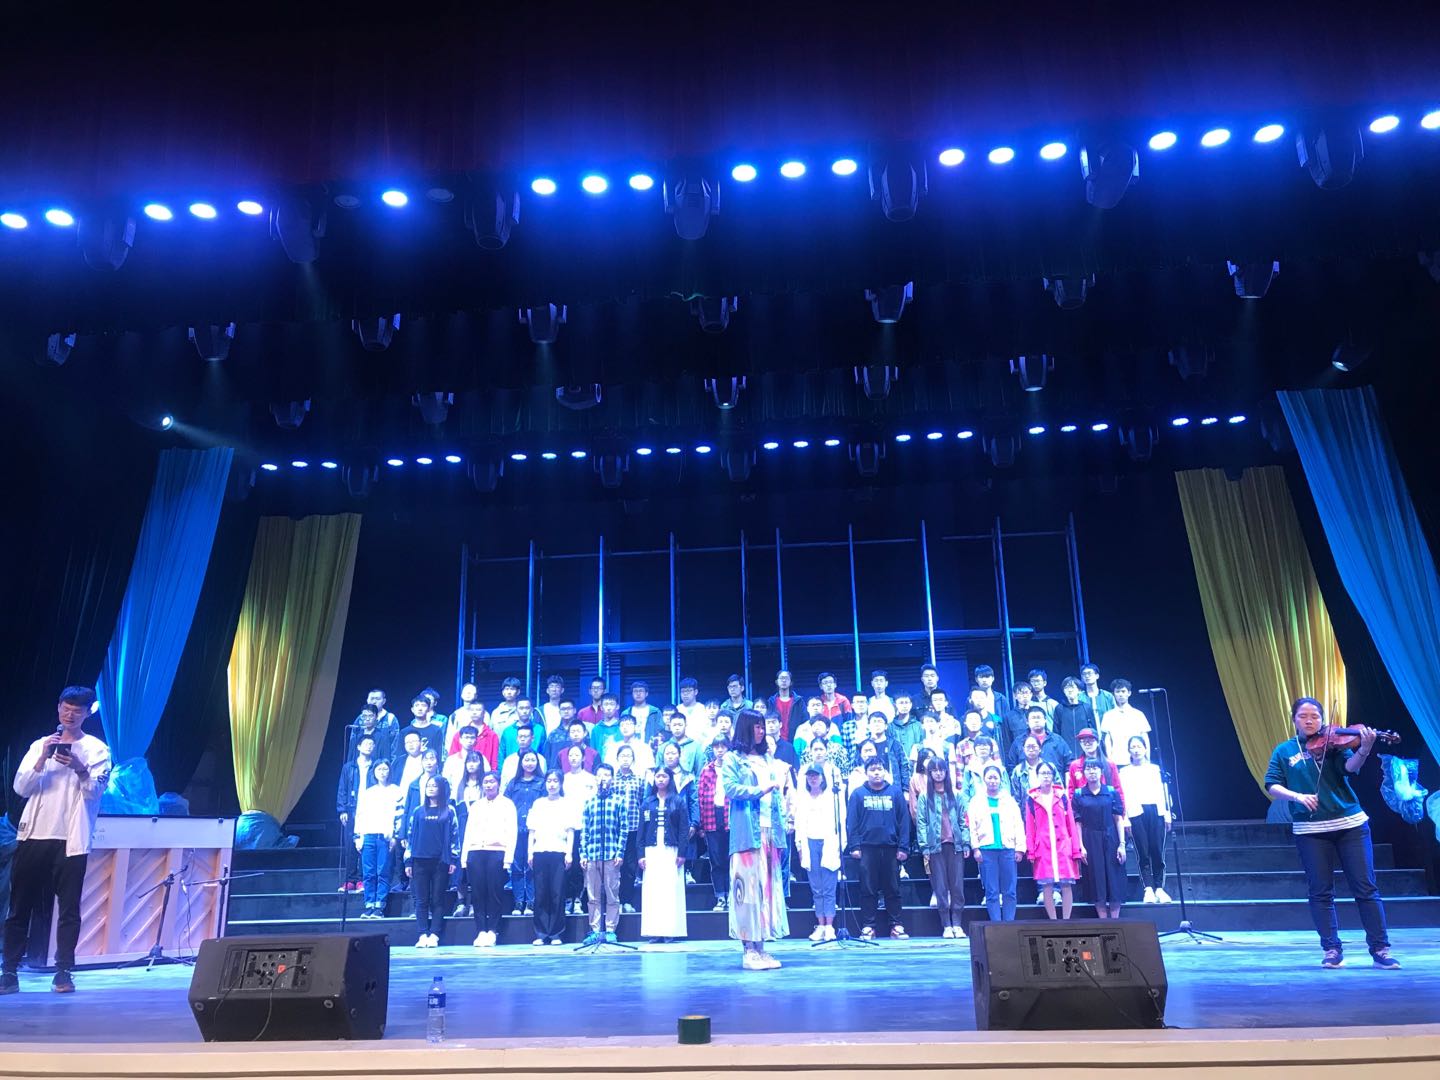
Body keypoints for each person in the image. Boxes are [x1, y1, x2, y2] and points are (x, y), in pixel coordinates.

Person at [1264, 697, 1398, 969]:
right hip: (1310, 830)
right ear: (1294, 720)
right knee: (1320, 891)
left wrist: (1365, 748)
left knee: (1366, 888)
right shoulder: (1284, 750)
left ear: (1322, 719)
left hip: (1350, 824)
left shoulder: (1334, 743)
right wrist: (1297, 797)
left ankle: (1380, 950)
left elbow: (1350, 768)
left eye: (1315, 716)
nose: (1309, 720)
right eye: (1303, 716)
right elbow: (1272, 784)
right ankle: (1331, 950)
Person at [2, 687, 111, 995]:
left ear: (87, 713)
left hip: (71, 840)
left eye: (77, 710)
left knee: (68, 909)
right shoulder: (41, 744)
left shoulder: (97, 750)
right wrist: (41, 759)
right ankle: (9, 971)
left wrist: (79, 767)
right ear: (59, 708)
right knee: (19, 905)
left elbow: (95, 792)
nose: (70, 714)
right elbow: (20, 788)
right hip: (34, 834)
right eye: (66, 708)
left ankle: (63, 971)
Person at [722, 709, 789, 971]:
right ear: (746, 728)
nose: (762, 731)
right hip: (747, 833)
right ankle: (748, 948)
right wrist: (759, 790)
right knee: (747, 891)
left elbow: (777, 796)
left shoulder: (767, 758)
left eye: (763, 726)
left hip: (769, 830)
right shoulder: (733, 758)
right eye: (757, 726)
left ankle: (761, 947)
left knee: (767, 892)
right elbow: (730, 788)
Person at [846, 758, 911, 940]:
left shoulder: (895, 792)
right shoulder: (858, 794)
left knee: (893, 888)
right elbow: (851, 822)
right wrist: (854, 845)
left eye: (879, 769)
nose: (876, 773)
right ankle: (868, 926)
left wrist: (903, 847)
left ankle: (896, 925)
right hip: (866, 849)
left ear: (885, 771)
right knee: (868, 889)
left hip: (891, 848)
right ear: (866, 772)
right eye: (872, 769)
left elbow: (904, 821)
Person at [914, 755, 970, 938]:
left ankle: (957, 924)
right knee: (940, 886)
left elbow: (963, 820)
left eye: (941, 770)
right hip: (934, 847)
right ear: (930, 773)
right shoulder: (925, 796)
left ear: (946, 772)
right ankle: (946, 925)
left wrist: (966, 842)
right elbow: (921, 823)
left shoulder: (957, 795)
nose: (938, 773)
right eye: (934, 770)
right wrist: (925, 847)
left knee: (957, 886)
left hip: (955, 846)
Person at [462, 771, 517, 947]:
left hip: (497, 851)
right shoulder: (477, 806)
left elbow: (512, 832)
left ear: (498, 784)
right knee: (478, 894)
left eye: (492, 782)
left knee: (494, 893)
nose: (488, 785)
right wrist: (465, 857)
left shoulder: (507, 804)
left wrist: (508, 858)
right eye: (485, 782)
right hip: (475, 851)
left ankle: (493, 930)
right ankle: (481, 930)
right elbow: (468, 831)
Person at [403, 776, 458, 948]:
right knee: (421, 900)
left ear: (441, 788)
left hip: (441, 861)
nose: (431, 788)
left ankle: (434, 934)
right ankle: (422, 934)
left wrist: (453, 859)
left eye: (434, 786)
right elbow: (410, 837)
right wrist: (408, 861)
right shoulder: (418, 811)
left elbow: (454, 836)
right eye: (428, 785)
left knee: (437, 899)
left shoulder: (449, 811)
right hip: (419, 860)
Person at [967, 763, 1025, 922]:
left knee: (1010, 891)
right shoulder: (976, 801)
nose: (993, 781)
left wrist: (1020, 848)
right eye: (990, 777)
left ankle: (1009, 924)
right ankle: (996, 926)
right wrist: (975, 848)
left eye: (995, 778)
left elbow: (1018, 824)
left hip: (1008, 849)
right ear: (984, 779)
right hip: (986, 850)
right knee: (991, 891)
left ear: (1000, 779)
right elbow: (972, 827)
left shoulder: (1009, 800)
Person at [1025, 761, 1082, 920]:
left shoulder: (1062, 796)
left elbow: (1071, 823)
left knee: (1066, 884)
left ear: (1053, 776)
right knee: (1047, 885)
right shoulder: (1031, 799)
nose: (1046, 776)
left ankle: (1066, 920)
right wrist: (1031, 851)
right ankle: (1053, 921)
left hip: (1063, 845)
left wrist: (1075, 848)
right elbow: (1029, 828)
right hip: (1043, 846)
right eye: (1042, 773)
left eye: (1048, 773)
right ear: (1037, 776)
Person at [1119, 736, 1172, 904]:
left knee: (1157, 849)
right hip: (1136, 812)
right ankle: (1148, 888)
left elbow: (1163, 792)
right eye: (1133, 747)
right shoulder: (1124, 772)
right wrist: (1125, 819)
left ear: (1145, 748)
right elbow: (1124, 796)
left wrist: (1167, 814)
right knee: (1142, 851)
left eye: (1139, 746)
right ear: (1129, 751)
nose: (1136, 750)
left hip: (1156, 811)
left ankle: (1160, 888)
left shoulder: (1155, 769)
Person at [639, 766, 690, 942]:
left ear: (670, 779)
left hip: (672, 850)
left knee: (670, 889)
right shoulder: (647, 802)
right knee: (653, 891)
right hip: (651, 850)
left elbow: (683, 829)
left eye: (664, 776)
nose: (660, 779)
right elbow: (641, 830)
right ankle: (654, 931)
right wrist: (640, 854)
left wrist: (682, 852)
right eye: (658, 776)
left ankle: (670, 931)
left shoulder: (678, 801)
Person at [794, 764, 844, 941]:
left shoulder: (832, 797)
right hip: (810, 843)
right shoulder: (803, 798)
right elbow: (799, 823)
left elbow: (841, 820)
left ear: (823, 777)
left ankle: (829, 925)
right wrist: (800, 846)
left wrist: (840, 845)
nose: (813, 779)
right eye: (810, 776)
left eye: (816, 775)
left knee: (829, 886)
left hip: (828, 842)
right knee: (816, 888)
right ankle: (820, 925)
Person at [580, 763, 627, 945]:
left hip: (611, 855)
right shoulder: (590, 802)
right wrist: (583, 853)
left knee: (612, 895)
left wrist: (620, 852)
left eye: (607, 775)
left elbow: (623, 829)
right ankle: (595, 931)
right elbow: (585, 830)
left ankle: (610, 930)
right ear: (595, 778)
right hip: (592, 855)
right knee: (593, 896)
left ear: (612, 778)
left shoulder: (619, 801)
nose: (603, 778)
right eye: (600, 775)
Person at [526, 770, 575, 946]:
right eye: (549, 781)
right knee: (540, 893)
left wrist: (569, 853)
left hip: (559, 851)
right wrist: (530, 852)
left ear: (561, 783)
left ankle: (555, 933)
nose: (552, 784)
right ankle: (540, 933)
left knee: (557, 893)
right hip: (539, 851)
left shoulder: (567, 804)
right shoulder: (538, 804)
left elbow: (570, 831)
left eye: (555, 781)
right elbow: (532, 831)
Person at [1074, 760, 1127, 919]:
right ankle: (1103, 922)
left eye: (1095, 768)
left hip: (1111, 838)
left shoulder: (1111, 792)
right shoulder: (1079, 794)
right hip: (1090, 839)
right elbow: (1077, 822)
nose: (1092, 772)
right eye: (1088, 769)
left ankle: (1115, 922)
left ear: (1101, 771)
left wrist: (1122, 844)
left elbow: (1118, 819)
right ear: (1084, 773)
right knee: (1096, 880)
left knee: (1114, 879)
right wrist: (1081, 846)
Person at [352, 759, 403, 920]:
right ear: (374, 772)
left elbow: (399, 816)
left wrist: (395, 836)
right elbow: (359, 815)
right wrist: (357, 837)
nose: (382, 772)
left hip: (384, 837)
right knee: (368, 873)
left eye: (385, 769)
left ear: (389, 771)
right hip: (368, 835)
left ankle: (379, 906)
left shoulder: (396, 791)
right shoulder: (368, 793)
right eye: (379, 769)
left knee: (383, 872)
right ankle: (369, 905)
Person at [504, 751, 546, 916]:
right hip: (515, 829)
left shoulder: (542, 783)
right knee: (516, 866)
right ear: (521, 762)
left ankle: (531, 902)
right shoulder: (513, 783)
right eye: (526, 760)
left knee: (531, 866)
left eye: (532, 760)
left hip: (535, 830)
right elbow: (506, 805)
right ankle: (518, 902)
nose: (529, 763)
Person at [336, 734, 379, 893]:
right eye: (366, 743)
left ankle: (362, 879)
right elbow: (342, 789)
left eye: (371, 744)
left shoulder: (376, 766)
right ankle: (350, 880)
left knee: (366, 846)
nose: (369, 746)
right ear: (359, 747)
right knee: (350, 846)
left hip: (370, 810)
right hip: (352, 809)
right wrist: (342, 809)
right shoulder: (349, 767)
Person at [697, 739, 732, 911]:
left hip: (730, 817)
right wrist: (701, 825)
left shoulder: (734, 768)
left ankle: (733, 895)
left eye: (723, 746)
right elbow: (701, 797)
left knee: (731, 859)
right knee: (716, 859)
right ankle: (720, 896)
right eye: (716, 747)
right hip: (712, 816)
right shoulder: (707, 770)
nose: (720, 750)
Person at [612, 745, 645, 913]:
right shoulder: (612, 780)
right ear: (617, 758)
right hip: (615, 829)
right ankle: (615, 901)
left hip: (633, 827)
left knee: (630, 866)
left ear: (633, 759)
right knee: (615, 866)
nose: (625, 759)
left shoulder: (639, 780)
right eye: (622, 756)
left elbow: (642, 802)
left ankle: (627, 900)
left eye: (629, 756)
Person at [1065, 728, 1125, 803]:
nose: (1087, 744)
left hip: (1106, 806)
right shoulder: (1075, 765)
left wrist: (1120, 808)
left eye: (1090, 740)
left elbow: (1117, 789)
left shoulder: (1109, 764)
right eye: (1083, 741)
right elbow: (1071, 792)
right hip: (1083, 807)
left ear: (1098, 742)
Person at [1008, 706, 1072, 775]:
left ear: (1045, 720)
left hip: (1054, 780)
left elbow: (1068, 764)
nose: (1036, 721)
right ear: (1027, 722)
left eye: (1039, 717)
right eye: (1033, 718)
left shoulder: (1057, 740)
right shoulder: (1019, 742)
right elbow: (1011, 766)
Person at [1099, 679, 1150, 763]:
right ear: (1113, 694)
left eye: (1123, 691)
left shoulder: (1138, 714)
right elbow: (1107, 740)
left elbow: (1145, 738)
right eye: (1117, 692)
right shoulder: (1108, 716)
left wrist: (1147, 758)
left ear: (1129, 693)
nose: (1120, 694)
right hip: (1116, 759)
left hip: (1137, 759)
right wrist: (1110, 760)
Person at [1052, 677, 1095, 748]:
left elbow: (1092, 730)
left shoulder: (1086, 708)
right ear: (1063, 691)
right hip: (1066, 750)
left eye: (1072, 687)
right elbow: (1056, 732)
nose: (1070, 690)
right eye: (1066, 688)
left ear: (1079, 690)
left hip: (1084, 749)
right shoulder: (1059, 708)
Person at [766, 669, 803, 738]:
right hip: (775, 739)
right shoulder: (771, 701)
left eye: (786, 678)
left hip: (795, 738)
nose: (784, 680)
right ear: (777, 682)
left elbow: (804, 721)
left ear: (791, 682)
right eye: (781, 678)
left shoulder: (799, 701)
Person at [588, 692, 624, 761]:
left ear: (617, 707)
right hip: (601, 765)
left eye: (612, 704)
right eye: (606, 704)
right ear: (601, 707)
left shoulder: (622, 726)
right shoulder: (596, 729)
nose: (609, 708)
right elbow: (593, 751)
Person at [676, 677, 710, 741]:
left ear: (696, 692)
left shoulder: (704, 709)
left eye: (689, 691)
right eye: (683, 691)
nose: (685, 694)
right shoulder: (677, 710)